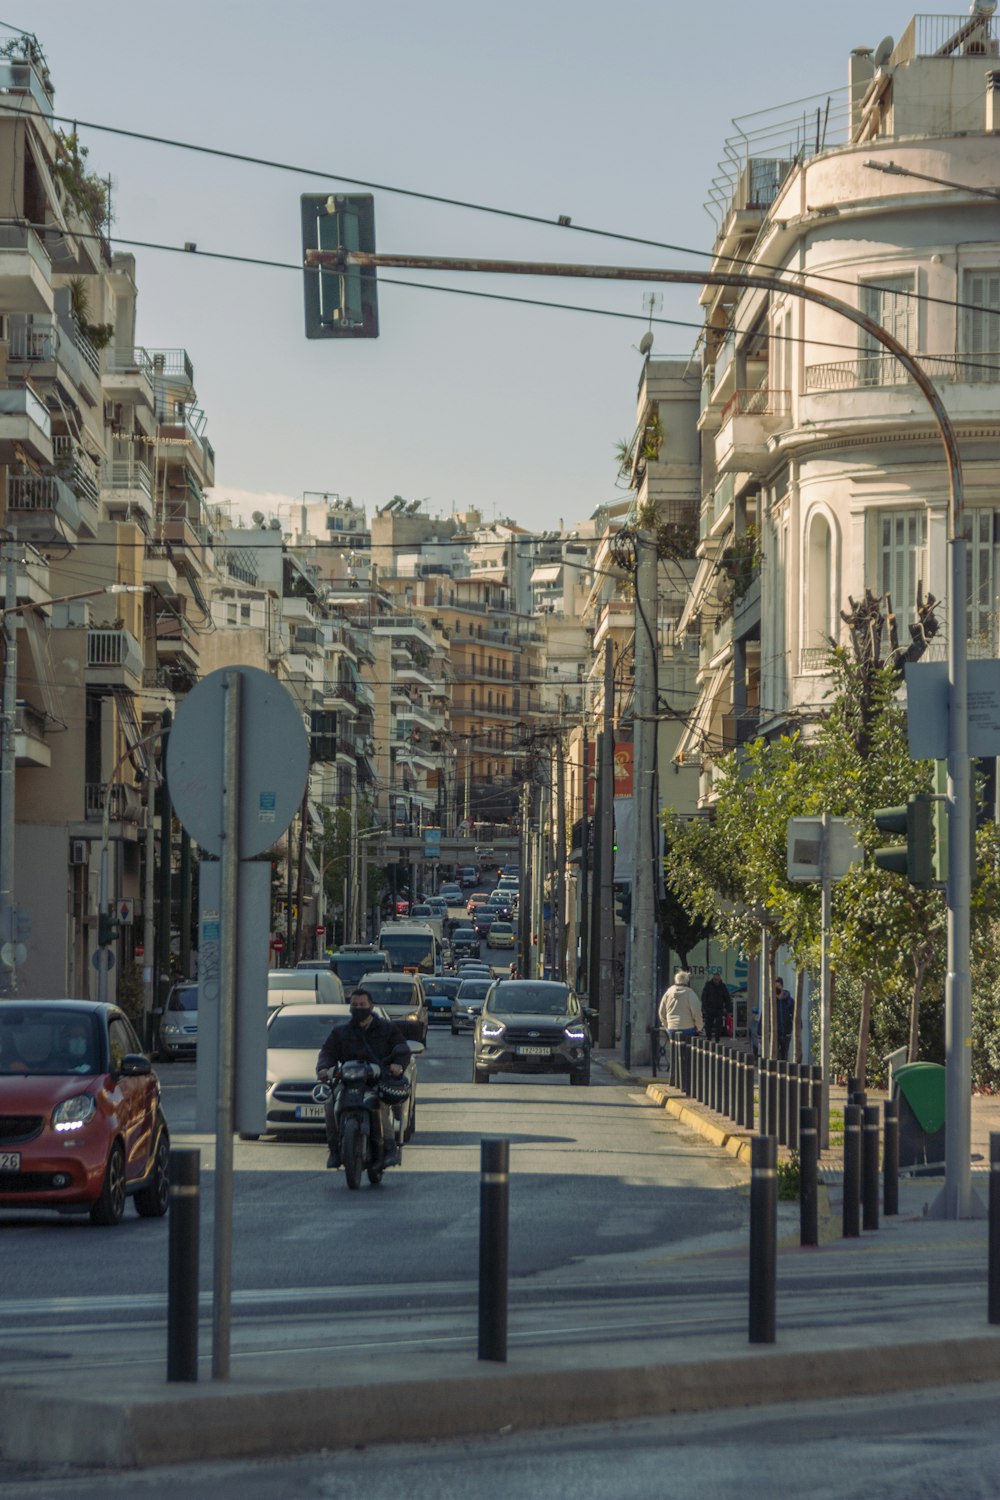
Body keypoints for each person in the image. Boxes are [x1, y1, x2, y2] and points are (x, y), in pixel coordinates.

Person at [316, 988, 411, 1170]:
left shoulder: (387, 1029)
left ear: (371, 1006)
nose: (358, 1008)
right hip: (348, 1082)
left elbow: (402, 1048)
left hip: (376, 1081)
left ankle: (389, 1147)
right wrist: (324, 1069)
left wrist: (398, 1065)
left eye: (362, 1005)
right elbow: (327, 1052)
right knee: (329, 1103)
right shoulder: (341, 1032)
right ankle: (334, 1149)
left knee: (380, 1107)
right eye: (354, 1005)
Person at [658, 970, 703, 1040]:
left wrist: (666, 1025)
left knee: (674, 1048)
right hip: (687, 1027)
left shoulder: (668, 993)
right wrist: (699, 1027)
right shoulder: (690, 993)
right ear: (687, 981)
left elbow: (661, 1012)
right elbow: (696, 1012)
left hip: (671, 1027)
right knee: (686, 1049)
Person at [700, 974, 731, 1043]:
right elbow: (704, 997)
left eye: (718, 980)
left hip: (719, 1008)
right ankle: (709, 1037)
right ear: (713, 979)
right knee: (708, 1024)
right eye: (716, 980)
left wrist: (728, 1008)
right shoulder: (708, 985)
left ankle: (717, 1038)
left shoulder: (722, 986)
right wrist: (705, 1008)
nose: (717, 981)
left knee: (719, 1024)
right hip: (709, 1008)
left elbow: (727, 997)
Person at [775, 976, 794, 1061]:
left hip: (786, 1033)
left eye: (778, 987)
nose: (777, 990)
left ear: (782, 986)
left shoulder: (789, 1001)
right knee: (776, 1055)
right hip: (775, 1033)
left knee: (784, 1055)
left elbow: (795, 1014)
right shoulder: (771, 1001)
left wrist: (798, 1026)